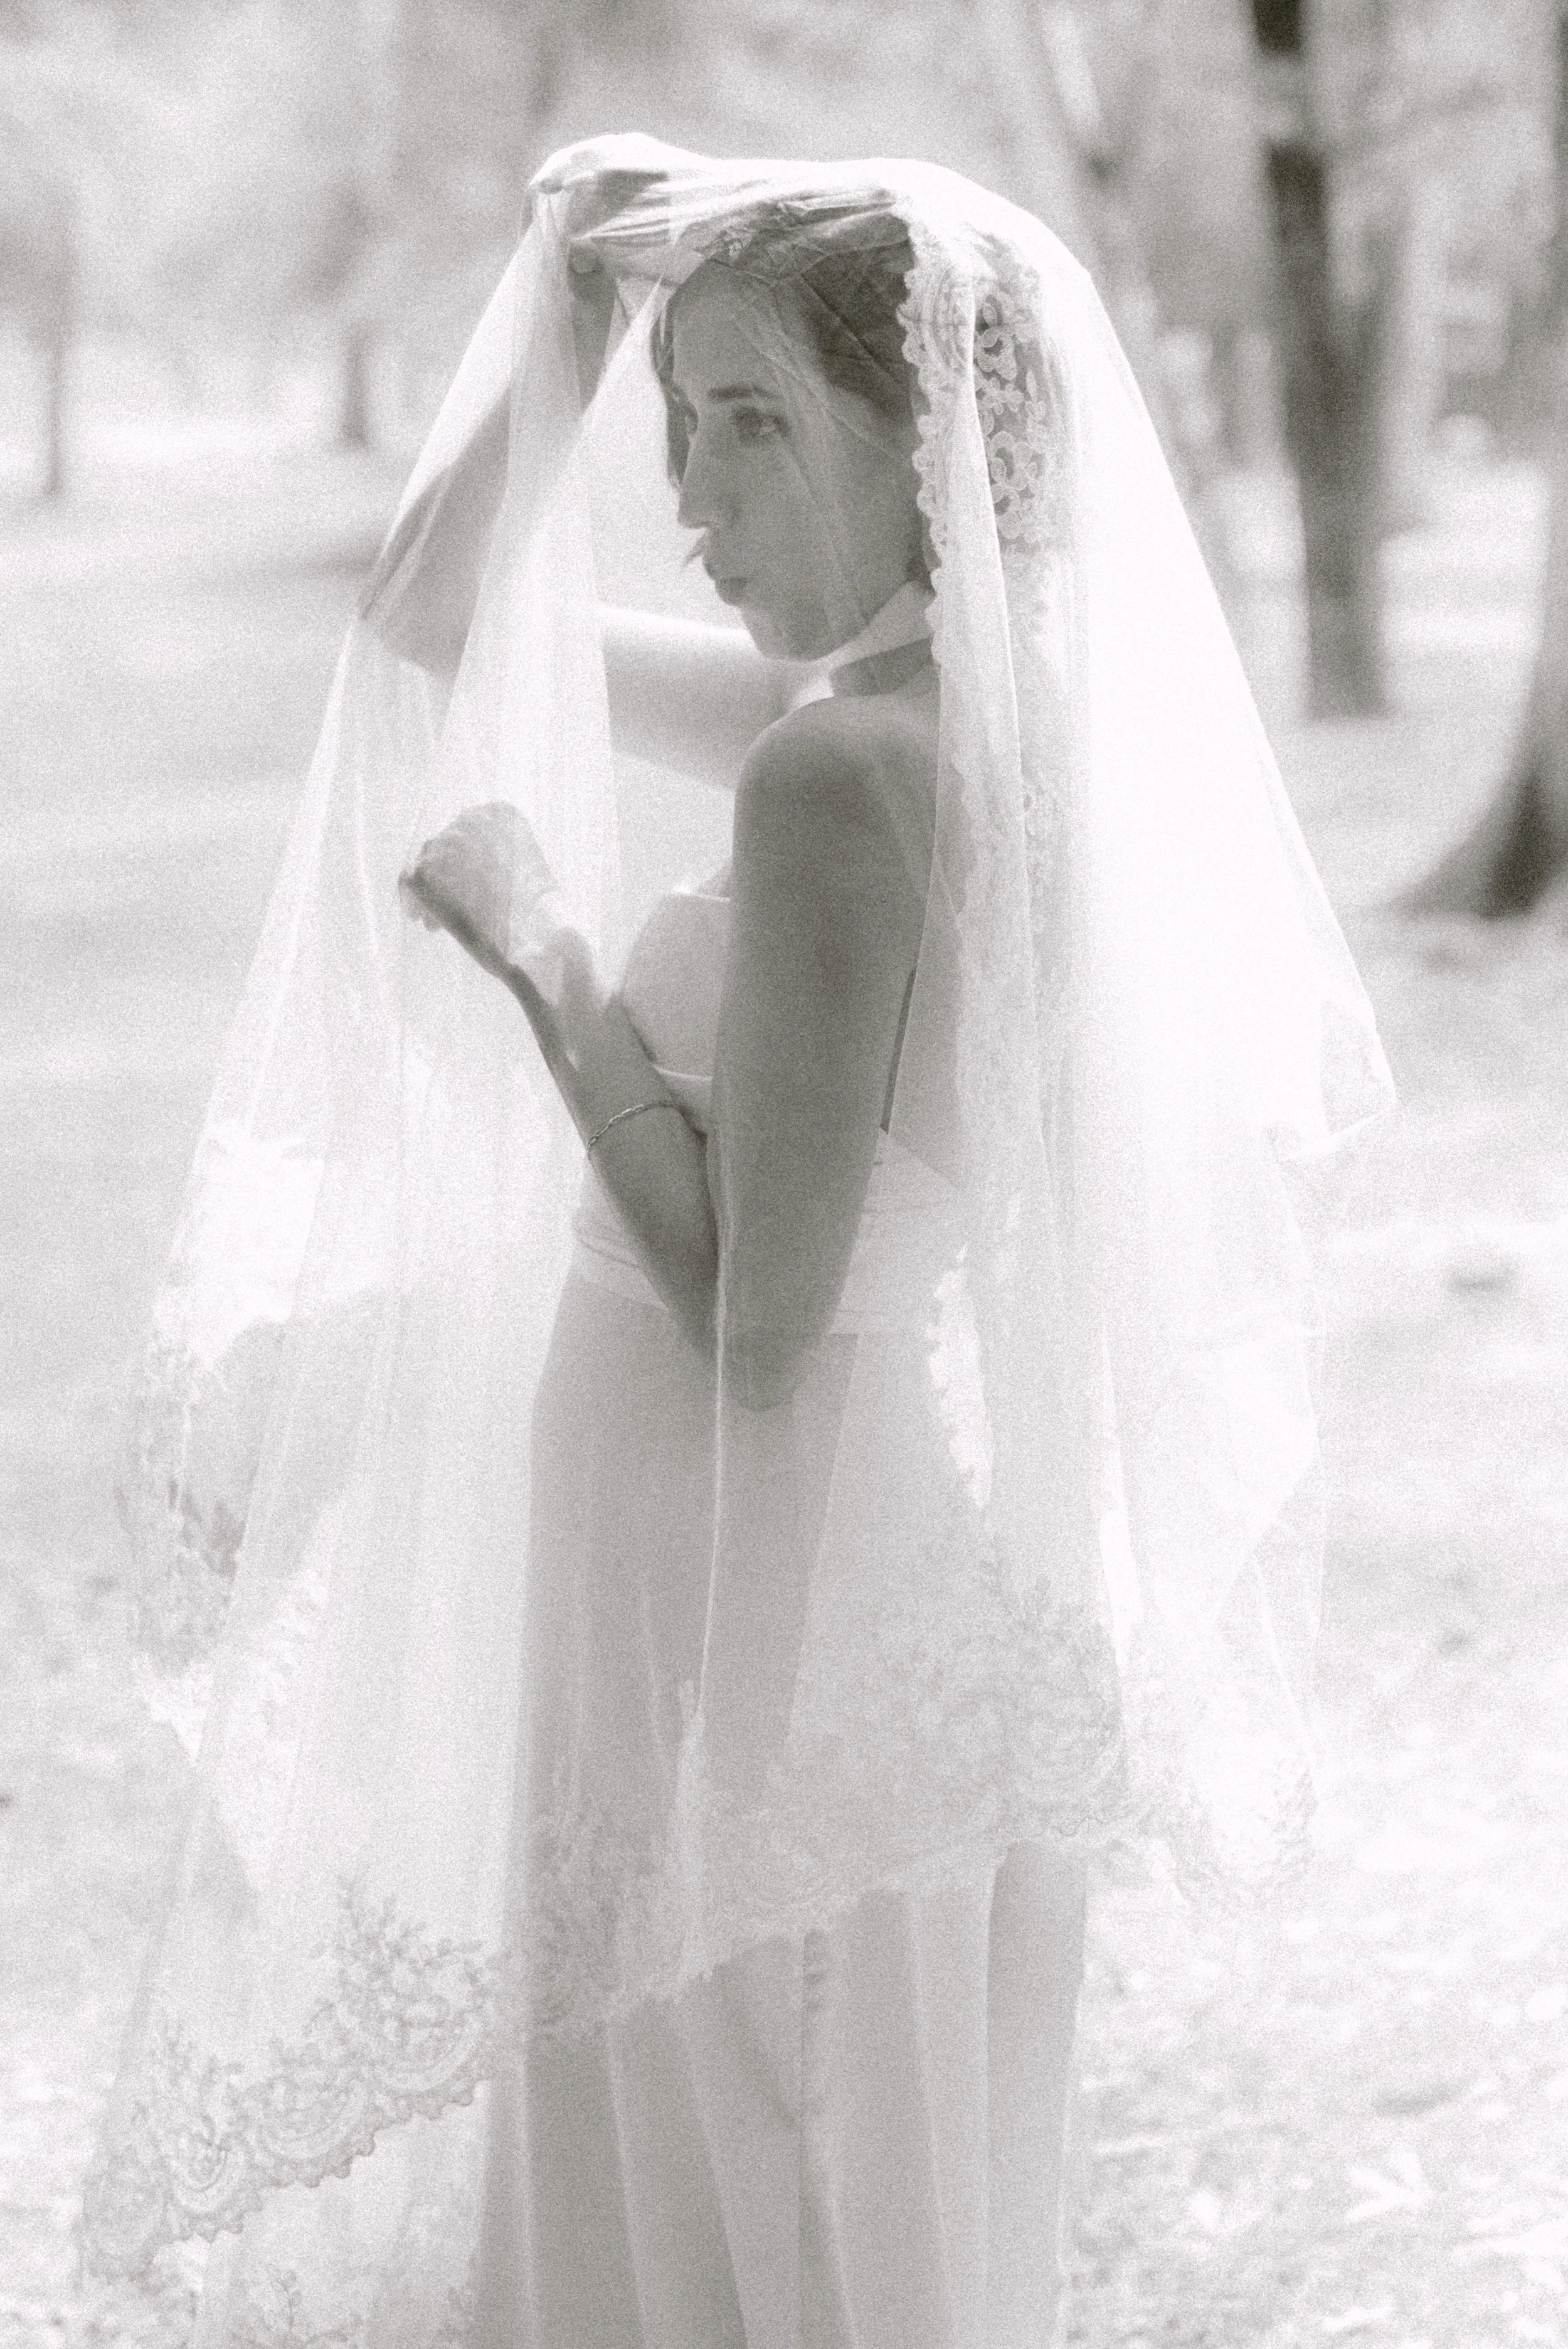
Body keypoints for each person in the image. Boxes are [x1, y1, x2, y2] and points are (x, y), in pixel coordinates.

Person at [83, 141, 1393, 2349]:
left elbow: (752, 1317)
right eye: (677, 426)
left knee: (722, 2155)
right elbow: (432, 617)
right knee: (805, 2156)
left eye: (754, 422)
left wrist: (552, 969)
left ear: (936, 442)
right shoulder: (950, 713)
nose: (690, 493)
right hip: (828, 1543)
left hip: (742, 1537)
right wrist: (570, 317)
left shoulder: (836, 779)